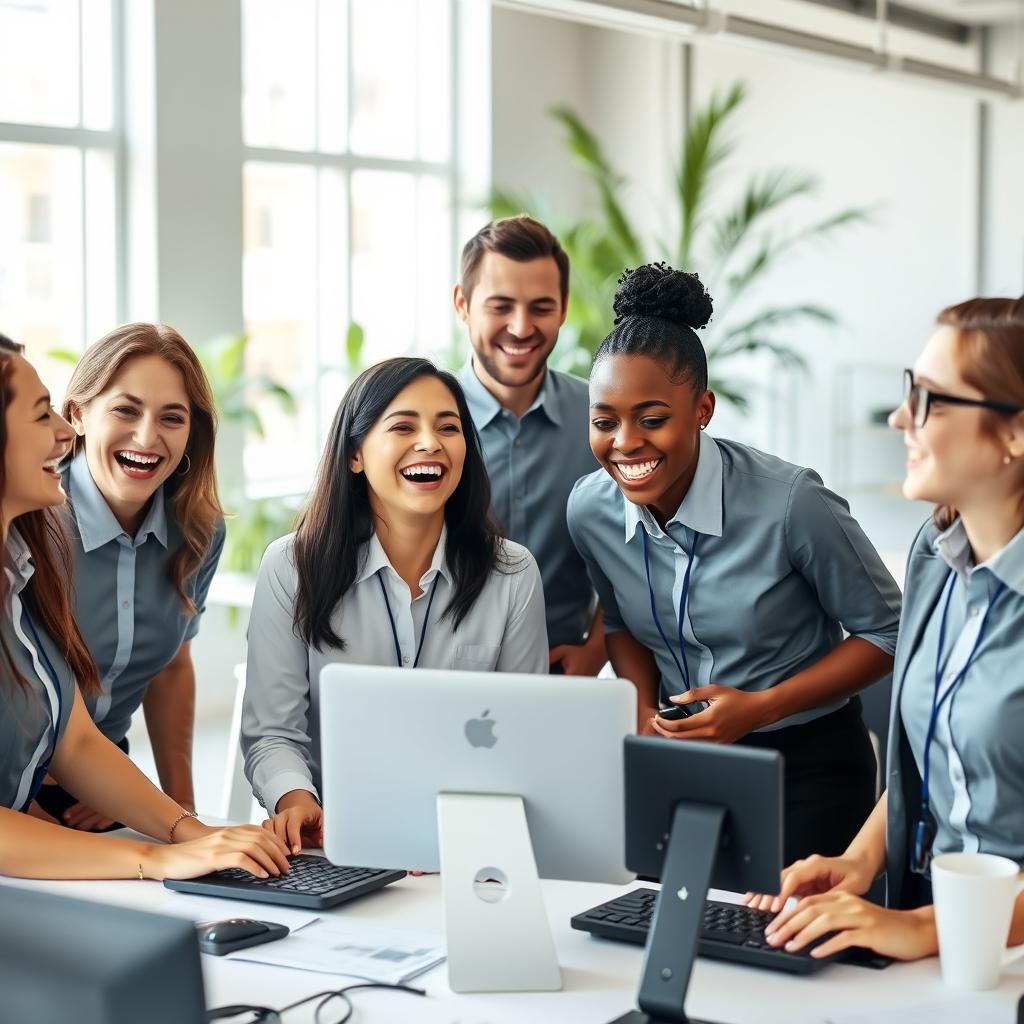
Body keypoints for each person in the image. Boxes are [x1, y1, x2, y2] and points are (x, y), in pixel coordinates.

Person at [566, 263, 902, 863]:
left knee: (780, 944)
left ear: (702, 409)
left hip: (805, 766)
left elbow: (891, 632)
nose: (625, 443)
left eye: (652, 419)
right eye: (604, 421)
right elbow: (618, 625)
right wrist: (641, 704)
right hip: (680, 758)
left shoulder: (792, 503)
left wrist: (764, 705)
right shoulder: (590, 511)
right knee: (666, 930)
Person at [747, 296, 1024, 962]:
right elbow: (922, 763)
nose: (901, 417)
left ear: (1016, 432)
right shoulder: (935, 555)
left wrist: (928, 930)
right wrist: (860, 861)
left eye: (929, 400)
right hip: (927, 924)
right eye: (909, 390)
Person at [0, 334, 290, 880]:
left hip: (95, 791)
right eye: (44, 417)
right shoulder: (36, 539)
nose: (62, 438)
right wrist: (157, 854)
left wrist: (187, 825)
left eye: (171, 417)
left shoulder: (19, 567)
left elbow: (76, 735)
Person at [243, 357, 548, 853]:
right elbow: (274, 733)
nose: (430, 442)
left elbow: (522, 740)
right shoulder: (292, 566)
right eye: (403, 426)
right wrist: (296, 802)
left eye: (448, 427)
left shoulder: (512, 574)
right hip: (335, 840)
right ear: (355, 455)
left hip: (465, 843)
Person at [29, 324, 225, 832]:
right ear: (77, 415)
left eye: (171, 418)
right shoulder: (29, 522)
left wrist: (180, 814)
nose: (146, 437)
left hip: (106, 789)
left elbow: (170, 669)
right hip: (16, 792)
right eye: (125, 409)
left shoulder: (199, 532)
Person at [455, 216, 605, 675]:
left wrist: (597, 649)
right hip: (442, 676)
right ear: (462, 304)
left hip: (564, 672)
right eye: (501, 306)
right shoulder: (419, 427)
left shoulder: (605, 420)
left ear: (563, 308)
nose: (521, 328)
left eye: (540, 307)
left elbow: (648, 552)